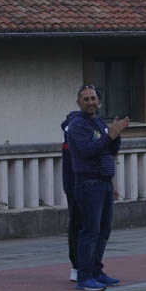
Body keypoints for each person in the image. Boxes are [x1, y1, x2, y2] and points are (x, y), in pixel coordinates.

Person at [66, 84, 129, 291]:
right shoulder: (78, 124)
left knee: (103, 231)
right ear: (78, 102)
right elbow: (87, 150)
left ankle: (96, 270)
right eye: (86, 99)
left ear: (99, 101)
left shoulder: (99, 122)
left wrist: (116, 134)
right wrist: (109, 135)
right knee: (90, 231)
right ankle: (84, 276)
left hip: (104, 183)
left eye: (93, 99)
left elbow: (111, 150)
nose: (91, 102)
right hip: (88, 183)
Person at [61, 111, 81, 282]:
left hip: (90, 183)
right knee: (78, 224)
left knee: (92, 226)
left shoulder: (94, 125)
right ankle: (77, 265)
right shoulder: (73, 128)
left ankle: (88, 265)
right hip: (76, 185)